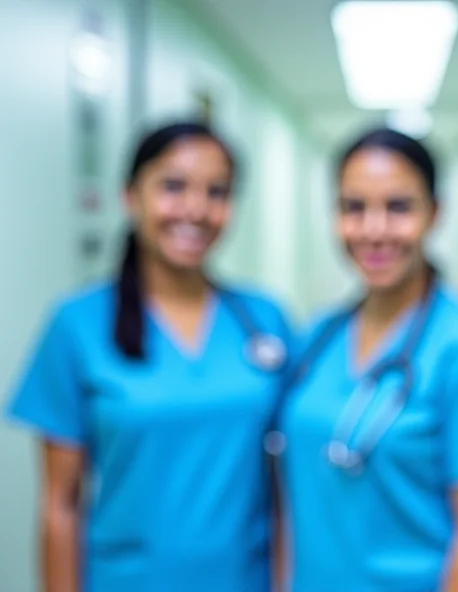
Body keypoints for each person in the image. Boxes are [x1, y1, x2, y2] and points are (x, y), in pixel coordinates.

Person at [5, 121, 293, 592]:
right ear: (130, 195)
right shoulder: (78, 325)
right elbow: (60, 504)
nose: (196, 209)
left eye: (216, 192)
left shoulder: (266, 322)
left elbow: (286, 491)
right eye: (173, 186)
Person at [270, 127, 458, 591]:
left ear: (435, 213)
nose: (374, 230)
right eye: (355, 208)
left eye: (398, 207)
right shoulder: (318, 338)